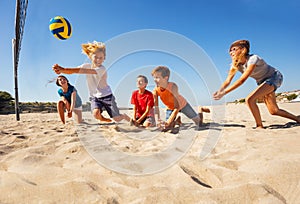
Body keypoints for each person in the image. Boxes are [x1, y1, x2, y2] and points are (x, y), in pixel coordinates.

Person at [213, 39, 300, 128]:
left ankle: (259, 126)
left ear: (243, 49)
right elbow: (228, 81)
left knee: (250, 99)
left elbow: (242, 80)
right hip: (262, 82)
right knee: (274, 111)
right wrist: (219, 91)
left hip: (274, 77)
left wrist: (224, 93)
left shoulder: (253, 59)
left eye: (234, 49)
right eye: (230, 50)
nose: (231, 52)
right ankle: (298, 119)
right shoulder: (235, 65)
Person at [52, 41, 130, 123]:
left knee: (117, 118)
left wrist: (63, 69)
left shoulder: (101, 69)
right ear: (90, 56)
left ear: (104, 58)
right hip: (95, 97)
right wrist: (61, 71)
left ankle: (124, 116)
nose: (98, 60)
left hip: (107, 96)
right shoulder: (86, 65)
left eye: (101, 58)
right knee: (96, 114)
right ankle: (103, 119)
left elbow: (81, 71)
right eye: (95, 57)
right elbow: (73, 71)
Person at [151, 65, 210, 130]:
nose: (154, 80)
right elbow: (156, 107)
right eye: (154, 77)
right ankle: (177, 120)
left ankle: (200, 109)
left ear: (166, 78)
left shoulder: (173, 86)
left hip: (182, 105)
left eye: (157, 77)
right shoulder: (155, 91)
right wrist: (157, 120)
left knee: (199, 123)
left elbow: (177, 107)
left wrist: (169, 120)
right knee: (168, 127)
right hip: (170, 107)